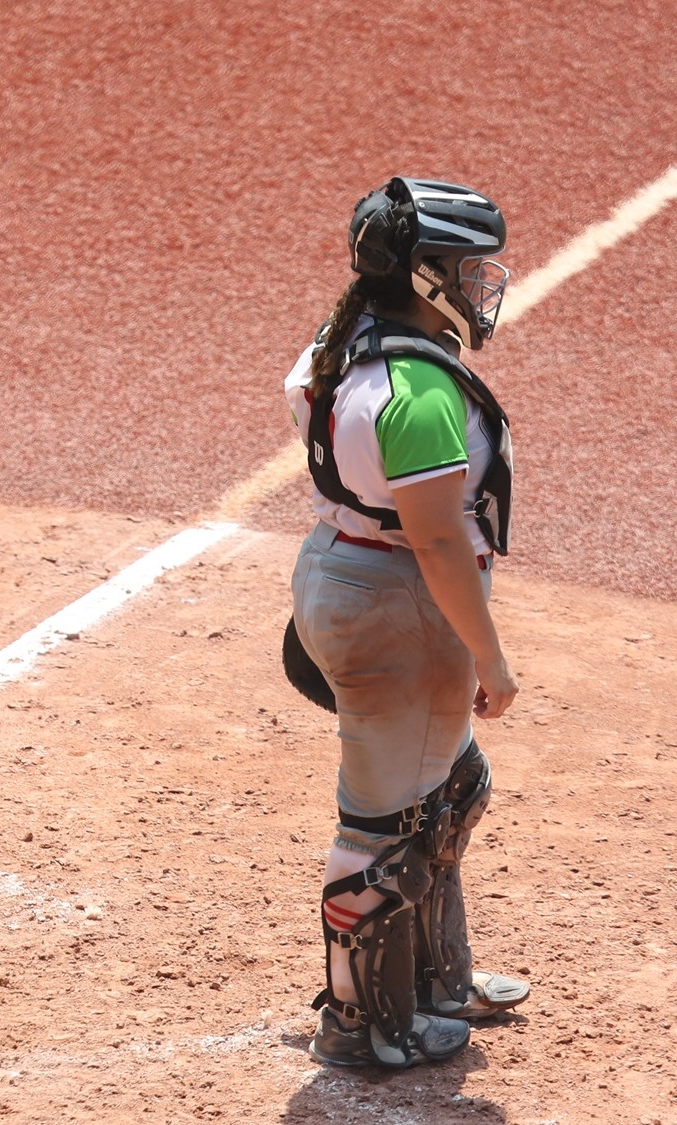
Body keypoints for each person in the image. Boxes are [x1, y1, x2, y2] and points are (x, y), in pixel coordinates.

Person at [285, 177, 530, 1070]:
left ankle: (433, 980)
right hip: (399, 605)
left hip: (350, 574)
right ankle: (363, 1023)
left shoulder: (346, 337)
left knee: (450, 789)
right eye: (467, 269)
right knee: (381, 828)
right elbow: (434, 539)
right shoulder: (417, 390)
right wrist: (489, 656)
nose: (480, 285)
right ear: (426, 275)